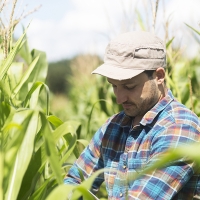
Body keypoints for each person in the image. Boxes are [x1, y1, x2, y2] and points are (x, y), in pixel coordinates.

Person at [64, 31, 200, 199]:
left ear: (158, 76)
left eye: (129, 87)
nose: (119, 99)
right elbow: (74, 182)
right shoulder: (113, 126)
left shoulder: (180, 127)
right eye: (114, 86)